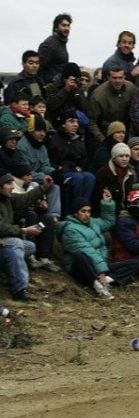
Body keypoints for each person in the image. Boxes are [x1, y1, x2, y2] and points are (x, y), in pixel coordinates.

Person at [58, 191, 139, 300]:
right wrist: (101, 270)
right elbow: (87, 250)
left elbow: (109, 222)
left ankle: (106, 280)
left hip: (100, 265)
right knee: (81, 256)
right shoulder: (70, 229)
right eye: (83, 211)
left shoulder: (93, 222)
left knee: (134, 263)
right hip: (81, 268)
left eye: (89, 211)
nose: (87, 214)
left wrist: (107, 203)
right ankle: (98, 287)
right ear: (76, 213)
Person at [0, 168, 54, 301]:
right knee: (17, 243)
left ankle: (9, 271)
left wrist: (43, 188)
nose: (13, 187)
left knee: (30, 247)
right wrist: (23, 230)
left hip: (4, 243)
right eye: (9, 184)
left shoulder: (7, 198)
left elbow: (24, 199)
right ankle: (20, 289)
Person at [10, 163, 60, 272]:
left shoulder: (32, 185)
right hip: (18, 217)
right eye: (27, 175)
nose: (30, 177)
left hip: (33, 214)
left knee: (48, 218)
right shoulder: (12, 187)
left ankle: (44, 257)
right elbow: (21, 202)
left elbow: (36, 202)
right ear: (19, 176)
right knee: (30, 215)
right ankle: (30, 257)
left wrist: (41, 205)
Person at [47, 110, 95, 216]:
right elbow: (52, 160)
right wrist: (63, 168)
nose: (75, 125)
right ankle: (74, 211)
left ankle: (84, 208)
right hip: (62, 172)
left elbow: (84, 159)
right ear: (64, 124)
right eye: (71, 121)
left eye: (77, 122)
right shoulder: (55, 139)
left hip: (76, 171)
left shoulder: (77, 140)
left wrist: (80, 167)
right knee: (78, 178)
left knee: (90, 177)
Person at [16, 115, 62, 219]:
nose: (42, 134)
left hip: (39, 178)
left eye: (44, 131)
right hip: (25, 181)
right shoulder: (22, 146)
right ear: (31, 130)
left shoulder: (42, 146)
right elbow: (25, 172)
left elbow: (44, 166)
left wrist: (53, 172)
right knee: (35, 185)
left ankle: (54, 217)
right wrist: (43, 177)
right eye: (39, 130)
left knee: (55, 187)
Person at [87, 67, 137, 143]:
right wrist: (103, 141)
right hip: (106, 133)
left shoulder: (131, 88)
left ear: (124, 77)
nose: (117, 81)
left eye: (120, 78)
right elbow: (92, 122)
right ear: (108, 78)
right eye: (114, 78)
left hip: (126, 131)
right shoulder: (98, 95)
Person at [37, 13, 72, 83]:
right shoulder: (50, 44)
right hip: (51, 89)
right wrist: (45, 88)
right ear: (56, 28)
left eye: (68, 26)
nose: (67, 28)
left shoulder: (61, 43)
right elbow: (39, 69)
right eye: (63, 25)